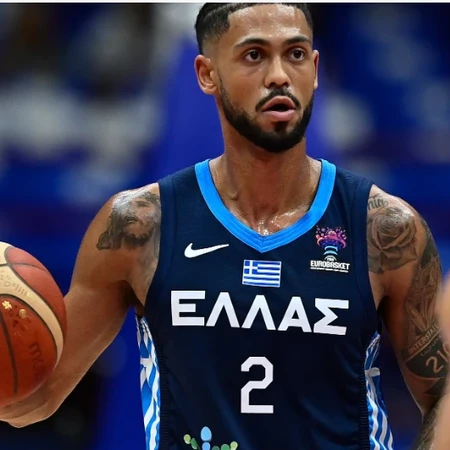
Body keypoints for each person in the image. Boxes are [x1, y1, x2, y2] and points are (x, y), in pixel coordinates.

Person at [0, 3, 445, 449]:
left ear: (315, 69)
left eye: (294, 54)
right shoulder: (139, 226)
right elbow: (38, 395)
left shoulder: (385, 230)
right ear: (207, 74)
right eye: (254, 55)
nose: (279, 75)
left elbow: (443, 399)